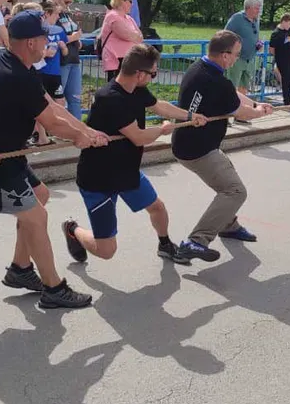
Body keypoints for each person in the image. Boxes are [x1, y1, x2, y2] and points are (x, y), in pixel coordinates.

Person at [0, 11, 109, 309]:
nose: (48, 42)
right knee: (37, 217)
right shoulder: (16, 76)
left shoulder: (10, 62)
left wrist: (87, 131)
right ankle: (54, 288)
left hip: (0, 151)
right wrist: (79, 138)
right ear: (30, 43)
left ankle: (21, 269)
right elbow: (51, 123)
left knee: (40, 195)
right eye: (43, 37)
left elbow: (50, 105)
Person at [62, 44, 208, 266]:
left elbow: (159, 106)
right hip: (98, 179)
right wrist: (162, 130)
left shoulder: (137, 90)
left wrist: (189, 115)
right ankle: (73, 230)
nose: (153, 77)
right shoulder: (110, 98)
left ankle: (165, 244)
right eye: (153, 74)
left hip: (126, 171)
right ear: (139, 74)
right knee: (106, 251)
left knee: (157, 208)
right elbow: (138, 137)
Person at [171, 30, 273, 261]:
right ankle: (196, 241)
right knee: (235, 191)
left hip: (188, 143)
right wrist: (259, 111)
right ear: (225, 55)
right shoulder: (216, 82)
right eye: (236, 54)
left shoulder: (199, 68)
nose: (237, 58)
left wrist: (256, 103)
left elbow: (233, 95)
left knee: (227, 178)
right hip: (198, 149)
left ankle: (228, 224)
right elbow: (241, 112)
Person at [34, 0, 68, 145]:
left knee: (60, 102)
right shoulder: (38, 30)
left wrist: (63, 47)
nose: (58, 17)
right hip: (41, 71)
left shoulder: (59, 30)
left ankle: (60, 132)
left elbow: (66, 52)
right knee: (41, 104)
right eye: (56, 14)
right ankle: (41, 136)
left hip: (55, 73)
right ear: (47, 14)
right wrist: (46, 53)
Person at [53, 0, 85, 121]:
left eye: (70, 2)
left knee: (75, 99)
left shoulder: (67, 15)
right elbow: (54, 38)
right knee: (58, 99)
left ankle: (78, 128)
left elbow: (72, 34)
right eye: (66, 2)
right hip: (61, 62)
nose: (69, 5)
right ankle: (58, 128)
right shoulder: (52, 15)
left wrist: (77, 40)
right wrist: (73, 37)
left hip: (74, 60)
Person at [99, 0, 144, 83]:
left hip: (128, 58)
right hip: (115, 59)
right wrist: (134, 35)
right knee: (116, 86)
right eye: (130, 1)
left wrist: (133, 35)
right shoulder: (112, 15)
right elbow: (124, 34)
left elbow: (140, 37)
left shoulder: (129, 18)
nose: (132, 4)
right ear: (121, 1)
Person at [224, 0, 264, 97]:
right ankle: (230, 105)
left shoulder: (255, 21)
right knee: (232, 86)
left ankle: (241, 105)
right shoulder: (237, 18)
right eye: (256, 8)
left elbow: (255, 36)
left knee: (244, 87)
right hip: (236, 59)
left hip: (249, 60)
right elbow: (225, 34)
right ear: (249, 7)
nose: (258, 11)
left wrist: (258, 43)